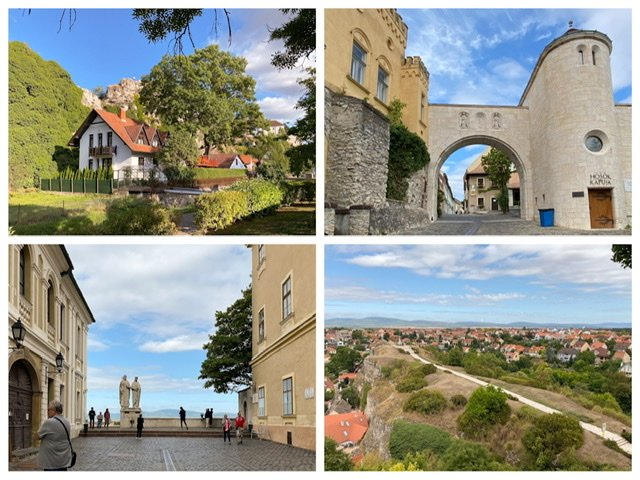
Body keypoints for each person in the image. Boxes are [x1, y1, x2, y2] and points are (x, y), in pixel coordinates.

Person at [38, 401, 73, 471]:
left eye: (48, 410)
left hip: (51, 461)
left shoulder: (49, 422)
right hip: (63, 460)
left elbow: (37, 436)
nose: (47, 411)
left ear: (54, 410)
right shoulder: (67, 422)